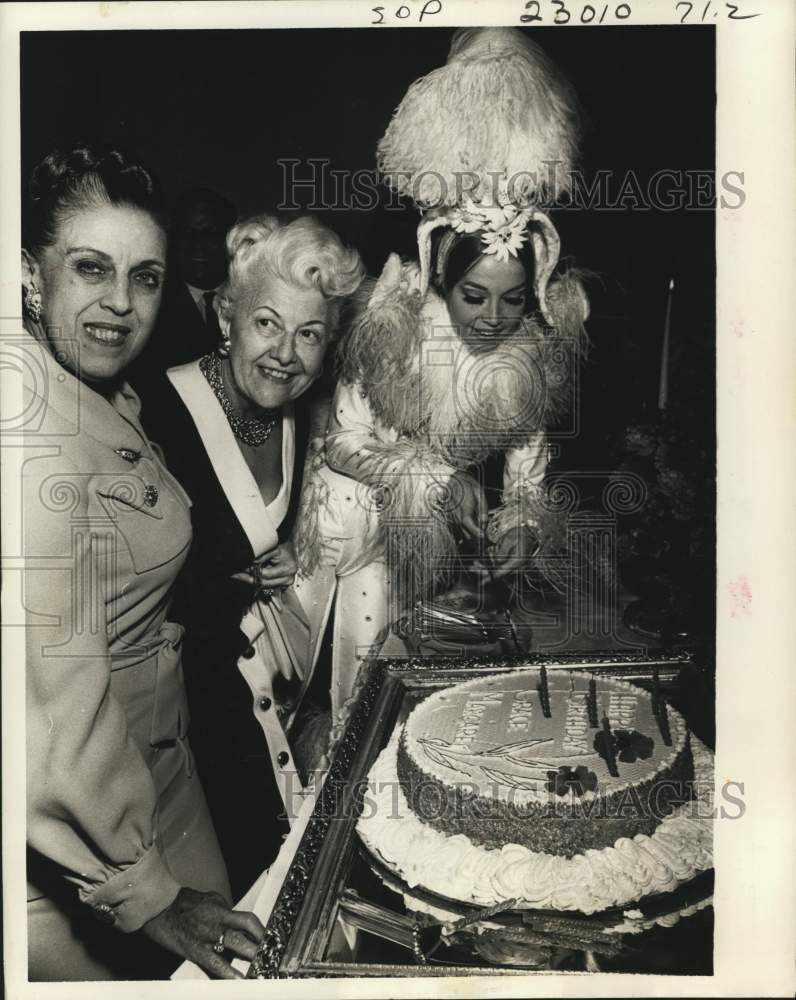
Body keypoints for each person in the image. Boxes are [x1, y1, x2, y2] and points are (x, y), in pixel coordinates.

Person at [294, 28, 590, 719]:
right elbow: (342, 444)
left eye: (514, 300)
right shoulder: (391, 333)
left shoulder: (532, 354)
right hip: (352, 528)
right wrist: (436, 478)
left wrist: (521, 522)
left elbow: (526, 466)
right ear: (439, 280)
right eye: (474, 296)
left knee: (435, 697)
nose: (493, 318)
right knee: (354, 692)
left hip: (443, 551)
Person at [21, 144, 264, 981]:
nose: (120, 304)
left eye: (146, 277)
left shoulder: (101, 385)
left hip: (160, 773)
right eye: (90, 268)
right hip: (77, 854)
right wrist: (149, 895)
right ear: (29, 272)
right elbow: (50, 708)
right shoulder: (32, 445)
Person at [137, 213, 365, 899]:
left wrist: (295, 547)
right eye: (267, 323)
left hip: (272, 701)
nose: (285, 354)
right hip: (185, 726)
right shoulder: (155, 408)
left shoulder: (305, 418)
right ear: (227, 317)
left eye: (309, 334)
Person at [128, 187, 237, 382]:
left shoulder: (251, 302)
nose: (197, 244)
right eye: (186, 232)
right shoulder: (151, 306)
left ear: (231, 238)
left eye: (209, 232)